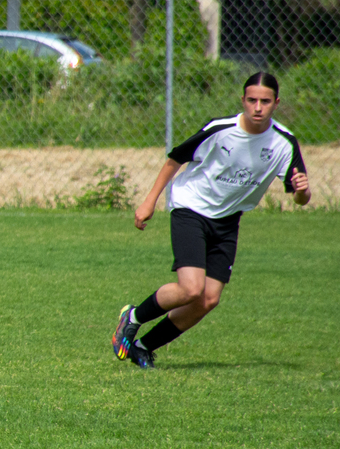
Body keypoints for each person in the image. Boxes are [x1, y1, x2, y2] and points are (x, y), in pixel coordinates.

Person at [111, 72, 310, 368]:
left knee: (208, 299)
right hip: (191, 208)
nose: (258, 107)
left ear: (276, 103)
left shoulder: (284, 143)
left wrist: (303, 191)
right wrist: (149, 200)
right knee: (191, 289)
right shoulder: (221, 130)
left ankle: (142, 347)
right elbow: (175, 159)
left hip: (228, 221)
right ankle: (133, 316)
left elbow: (299, 196)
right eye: (252, 100)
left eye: (265, 101)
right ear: (242, 100)